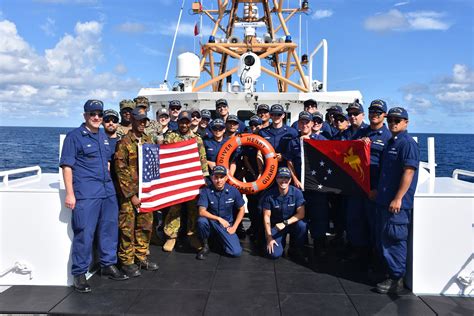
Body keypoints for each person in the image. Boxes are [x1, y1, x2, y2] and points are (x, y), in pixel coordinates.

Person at [60, 99, 127, 293]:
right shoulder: (74, 137)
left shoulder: (103, 136)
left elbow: (106, 162)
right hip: (87, 193)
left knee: (109, 229)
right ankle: (79, 274)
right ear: (85, 116)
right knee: (85, 233)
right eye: (92, 114)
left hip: (107, 192)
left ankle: (107, 264)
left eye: (99, 114)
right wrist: (70, 194)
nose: (97, 117)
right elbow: (67, 167)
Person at [375, 107, 419, 294]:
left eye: (397, 120)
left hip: (396, 204)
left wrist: (398, 198)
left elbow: (409, 171)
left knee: (395, 239)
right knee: (385, 239)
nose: (393, 123)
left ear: (406, 122)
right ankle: (390, 272)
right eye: (391, 120)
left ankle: (396, 279)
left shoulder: (407, 144)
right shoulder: (391, 143)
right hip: (385, 200)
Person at [345, 100, 391, 264]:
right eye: (372, 111)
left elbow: (388, 168)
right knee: (355, 220)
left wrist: (377, 189)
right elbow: (348, 155)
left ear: (384, 115)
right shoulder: (360, 133)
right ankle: (359, 253)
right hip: (358, 185)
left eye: (378, 112)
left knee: (374, 225)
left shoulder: (388, 136)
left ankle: (376, 259)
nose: (374, 115)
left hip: (375, 189)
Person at [114, 108, 159, 277]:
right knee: (127, 228)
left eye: (144, 121)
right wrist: (132, 195)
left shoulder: (148, 140)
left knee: (145, 226)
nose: (142, 123)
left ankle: (141, 256)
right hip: (129, 196)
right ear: (132, 120)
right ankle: (126, 261)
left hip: (146, 193)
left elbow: (154, 167)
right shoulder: (124, 142)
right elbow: (121, 171)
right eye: (139, 120)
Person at [162, 110, 209, 252]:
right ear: (178, 122)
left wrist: (204, 178)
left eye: (186, 122)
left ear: (190, 123)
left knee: (193, 208)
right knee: (174, 208)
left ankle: (192, 234)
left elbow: (202, 158)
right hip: (175, 179)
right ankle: (171, 236)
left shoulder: (197, 139)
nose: (184, 124)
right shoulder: (170, 137)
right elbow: (164, 156)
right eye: (181, 122)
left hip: (192, 179)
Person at [285, 111, 329, 256]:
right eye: (302, 122)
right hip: (300, 187)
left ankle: (319, 246)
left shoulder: (322, 141)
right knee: (299, 218)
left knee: (319, 217)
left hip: (317, 188)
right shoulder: (293, 142)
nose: (304, 125)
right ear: (298, 124)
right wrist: (295, 179)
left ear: (312, 123)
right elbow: (290, 162)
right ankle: (299, 246)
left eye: (307, 122)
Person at [196, 165, 246, 260]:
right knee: (201, 221)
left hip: (226, 225)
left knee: (236, 252)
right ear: (212, 177)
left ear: (226, 178)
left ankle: (219, 241)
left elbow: (242, 209)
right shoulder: (206, 191)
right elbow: (201, 212)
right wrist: (218, 218)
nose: (219, 180)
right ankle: (205, 246)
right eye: (216, 177)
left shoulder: (233, 191)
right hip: (211, 222)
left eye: (221, 177)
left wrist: (235, 227)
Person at [262, 167, 306, 259]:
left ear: (290, 180)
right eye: (280, 177)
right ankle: (280, 243)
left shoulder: (297, 193)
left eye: (286, 178)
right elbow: (266, 217)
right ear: (276, 179)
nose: (283, 180)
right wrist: (269, 237)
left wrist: (285, 223)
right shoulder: (268, 195)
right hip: (277, 226)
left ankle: (295, 247)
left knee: (302, 226)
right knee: (273, 254)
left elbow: (301, 214)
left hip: (291, 224)